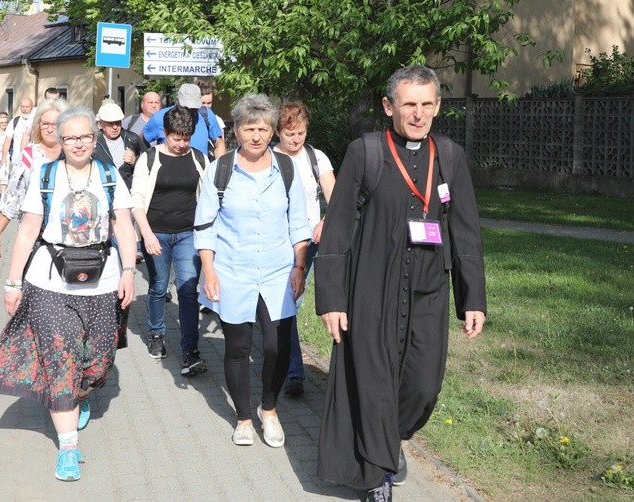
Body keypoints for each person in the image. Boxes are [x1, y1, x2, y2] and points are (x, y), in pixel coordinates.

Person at [314, 65, 487, 501]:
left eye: (427, 104)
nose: (419, 114)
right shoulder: (365, 152)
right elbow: (336, 229)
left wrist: (473, 298)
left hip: (430, 290)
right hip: (371, 286)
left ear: (438, 106)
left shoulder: (449, 156)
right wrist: (332, 299)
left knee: (423, 386)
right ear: (389, 106)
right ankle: (376, 477)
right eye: (409, 104)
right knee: (373, 385)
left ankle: (392, 438)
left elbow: (465, 231)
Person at [0, 106, 137, 482]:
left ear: (95, 137)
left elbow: (125, 228)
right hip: (49, 281)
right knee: (60, 358)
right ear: (60, 140)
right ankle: (68, 446)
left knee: (100, 359)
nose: (78, 143)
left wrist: (131, 272)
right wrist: (12, 282)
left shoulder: (109, 175)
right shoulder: (45, 174)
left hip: (103, 281)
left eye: (85, 136)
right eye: (70, 137)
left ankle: (82, 392)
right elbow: (26, 232)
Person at [194, 94, 310, 447]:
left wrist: (300, 266)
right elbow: (205, 225)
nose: (256, 135)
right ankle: (244, 418)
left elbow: (299, 222)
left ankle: (269, 409)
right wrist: (209, 271)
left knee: (276, 347)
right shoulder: (221, 169)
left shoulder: (286, 169)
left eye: (263, 128)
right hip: (232, 270)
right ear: (237, 130)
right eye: (249, 128)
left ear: (273, 130)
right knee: (237, 348)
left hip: (278, 272)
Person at [131, 106, 208, 375]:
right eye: (176, 138)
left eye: (186, 138)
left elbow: (208, 197)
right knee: (158, 287)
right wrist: (147, 234)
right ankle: (156, 334)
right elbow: (137, 200)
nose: (181, 144)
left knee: (188, 290)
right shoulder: (149, 159)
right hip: (157, 233)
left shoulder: (199, 158)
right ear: (165, 133)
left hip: (189, 232)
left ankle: (190, 350)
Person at [272, 102, 336, 396]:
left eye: (301, 132)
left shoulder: (316, 156)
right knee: (290, 304)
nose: (297, 139)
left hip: (315, 241)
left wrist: (326, 220)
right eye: (290, 134)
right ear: (278, 131)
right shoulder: (269, 158)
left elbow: (336, 196)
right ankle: (294, 372)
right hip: (282, 242)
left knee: (334, 302)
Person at [0, 99, 69, 260]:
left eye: (55, 123)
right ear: (38, 124)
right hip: (34, 236)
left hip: (70, 238)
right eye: (45, 123)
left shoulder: (74, 153)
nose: (50, 128)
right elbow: (12, 199)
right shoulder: (28, 155)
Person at [143, 83, 226, 158]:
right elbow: (142, 139)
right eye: (186, 107)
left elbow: (219, 143)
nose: (190, 111)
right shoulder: (159, 118)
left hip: (200, 171)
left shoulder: (206, 114)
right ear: (177, 101)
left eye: (194, 108)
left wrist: (220, 168)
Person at [93, 101, 146, 189]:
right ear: (100, 124)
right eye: (110, 123)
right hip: (104, 194)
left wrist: (135, 161)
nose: (115, 127)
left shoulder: (133, 139)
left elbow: (149, 165)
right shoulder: (93, 143)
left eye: (117, 122)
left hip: (128, 194)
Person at [0, 97, 35, 173]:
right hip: (17, 162)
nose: (24, 109)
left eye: (27, 107)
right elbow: (8, 140)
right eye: (22, 107)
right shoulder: (15, 121)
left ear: (32, 107)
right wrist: (3, 158)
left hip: (33, 162)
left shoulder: (37, 122)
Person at [198, 81, 225, 160]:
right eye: (203, 103)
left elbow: (220, 143)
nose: (206, 106)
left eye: (209, 103)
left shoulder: (216, 119)